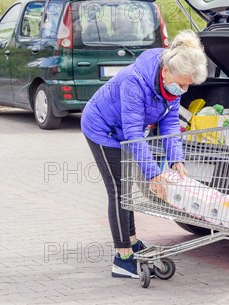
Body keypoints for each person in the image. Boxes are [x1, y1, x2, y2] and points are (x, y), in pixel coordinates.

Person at [81, 30, 208, 278]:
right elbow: (133, 133)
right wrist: (153, 174)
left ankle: (131, 240)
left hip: (126, 132)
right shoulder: (135, 82)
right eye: (181, 83)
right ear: (165, 72)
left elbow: (170, 125)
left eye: (188, 85)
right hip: (102, 129)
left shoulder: (172, 85)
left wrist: (176, 160)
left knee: (126, 190)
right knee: (119, 191)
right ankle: (122, 256)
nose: (183, 89)